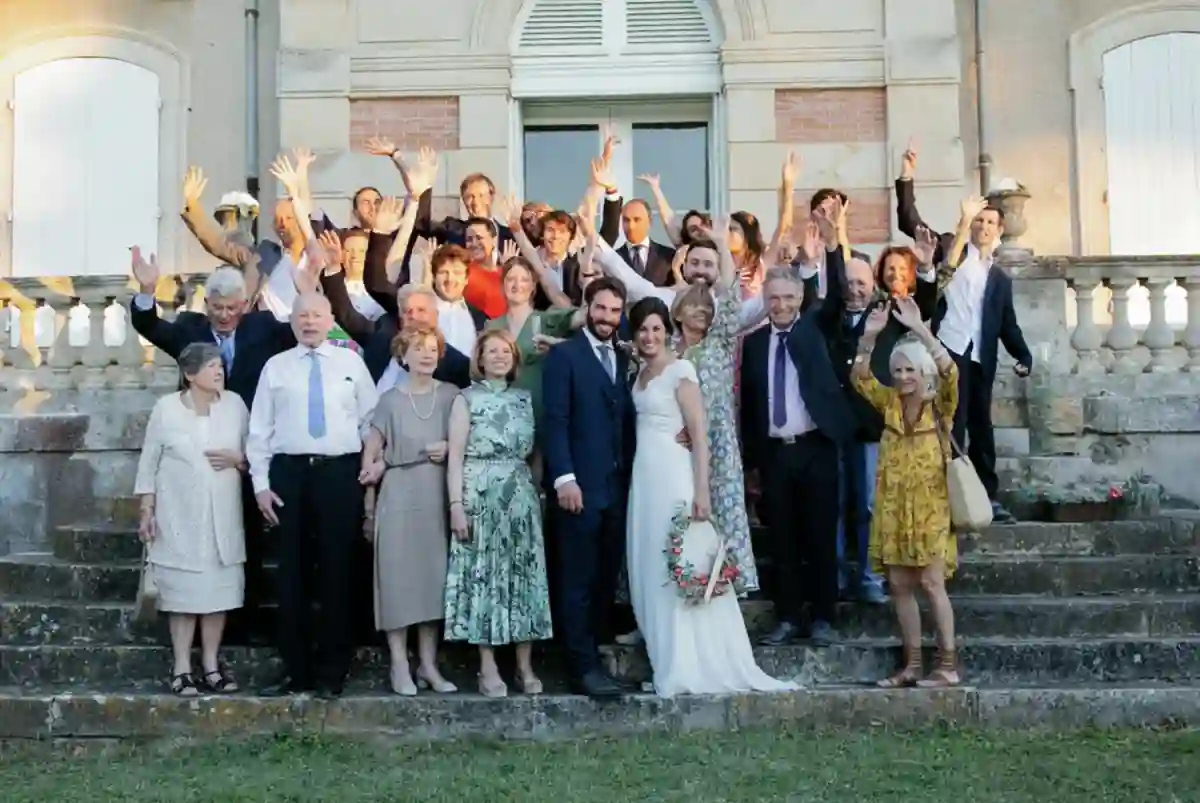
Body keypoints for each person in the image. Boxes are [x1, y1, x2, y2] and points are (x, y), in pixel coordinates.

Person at [624, 298, 797, 697]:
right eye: (642, 330)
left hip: (674, 478)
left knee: (680, 565)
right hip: (644, 479)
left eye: (655, 328)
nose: (649, 337)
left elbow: (699, 434)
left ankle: (688, 665)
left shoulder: (681, 370)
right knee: (650, 567)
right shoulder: (639, 373)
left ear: (667, 329)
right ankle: (663, 657)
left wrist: (701, 491)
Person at [246, 292, 379, 698]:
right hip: (290, 475)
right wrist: (261, 485)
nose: (308, 322)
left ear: (330, 319)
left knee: (338, 572)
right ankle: (296, 670)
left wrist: (372, 467)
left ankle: (333, 671)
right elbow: (259, 430)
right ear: (292, 321)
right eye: (301, 315)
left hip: (339, 474)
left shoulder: (351, 363)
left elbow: (371, 421)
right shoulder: (276, 368)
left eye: (316, 315)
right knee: (292, 575)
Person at [740, 268, 857, 648]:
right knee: (783, 540)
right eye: (774, 298)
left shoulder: (815, 328)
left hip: (815, 446)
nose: (781, 305)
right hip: (775, 453)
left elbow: (837, 299)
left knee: (821, 535)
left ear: (801, 299)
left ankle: (824, 616)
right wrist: (752, 460)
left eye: (789, 297)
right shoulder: (755, 342)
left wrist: (829, 246)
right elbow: (752, 402)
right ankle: (788, 616)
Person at [852, 297, 961, 688]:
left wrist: (920, 330)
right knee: (899, 585)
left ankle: (947, 664)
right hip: (895, 507)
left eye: (910, 370)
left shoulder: (940, 405)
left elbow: (951, 373)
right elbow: (861, 378)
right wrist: (869, 338)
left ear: (924, 371)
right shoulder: (890, 404)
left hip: (931, 507)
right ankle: (911, 664)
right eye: (897, 370)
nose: (902, 377)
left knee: (932, 584)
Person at [134, 343, 250, 696]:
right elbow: (148, 463)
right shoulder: (166, 409)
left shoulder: (235, 406)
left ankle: (212, 665)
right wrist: (146, 511)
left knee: (217, 592)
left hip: (223, 516)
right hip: (178, 517)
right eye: (212, 366)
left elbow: (256, 456)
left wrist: (238, 460)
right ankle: (182, 666)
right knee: (183, 595)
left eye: (221, 366)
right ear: (189, 373)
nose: (219, 372)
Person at [541, 277, 637, 699]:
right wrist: (564, 478)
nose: (607, 318)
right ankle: (579, 667)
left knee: (602, 578)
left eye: (615, 312)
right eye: (601, 309)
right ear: (587, 307)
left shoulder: (621, 356)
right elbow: (555, 421)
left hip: (615, 488)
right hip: (577, 488)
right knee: (576, 580)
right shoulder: (564, 356)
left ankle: (595, 658)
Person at [443, 330, 552, 697]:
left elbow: (535, 452)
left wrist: (535, 492)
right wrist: (456, 505)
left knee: (524, 576)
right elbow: (455, 456)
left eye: (505, 351)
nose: (499, 357)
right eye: (491, 351)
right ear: (480, 359)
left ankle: (524, 665)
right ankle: (487, 667)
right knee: (483, 578)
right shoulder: (466, 399)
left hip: (519, 496)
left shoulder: (525, 399)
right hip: (479, 492)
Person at [360, 327, 459, 696]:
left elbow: (467, 439)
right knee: (398, 580)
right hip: (399, 492)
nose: (427, 355)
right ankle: (399, 663)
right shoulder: (388, 400)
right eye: (418, 349)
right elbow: (371, 453)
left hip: (436, 493)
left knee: (433, 581)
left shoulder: (451, 396)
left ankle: (429, 665)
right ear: (404, 356)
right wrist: (369, 506)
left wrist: (449, 445)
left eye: (432, 349)